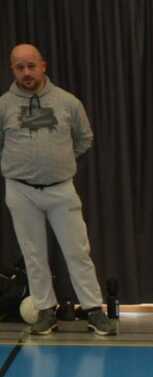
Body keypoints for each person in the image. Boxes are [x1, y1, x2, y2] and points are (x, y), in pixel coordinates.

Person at [1, 43, 114, 337]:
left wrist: (60, 162)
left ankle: (93, 310)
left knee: (78, 251)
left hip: (61, 189)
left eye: (31, 66)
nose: (27, 72)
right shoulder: (3, 106)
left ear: (43, 66)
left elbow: (84, 138)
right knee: (33, 254)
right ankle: (46, 312)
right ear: (12, 70)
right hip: (20, 191)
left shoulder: (68, 102)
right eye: (20, 67)